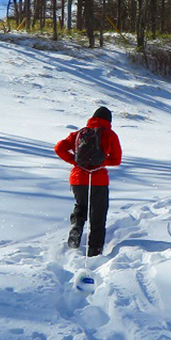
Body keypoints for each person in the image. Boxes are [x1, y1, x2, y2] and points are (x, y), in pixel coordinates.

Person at [54, 106, 122, 256]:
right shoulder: (110, 134)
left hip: (78, 178)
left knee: (81, 205)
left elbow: (59, 148)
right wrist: (101, 162)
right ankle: (94, 250)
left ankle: (77, 226)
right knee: (98, 215)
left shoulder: (79, 133)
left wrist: (75, 161)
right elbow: (117, 159)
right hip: (98, 179)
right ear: (109, 121)